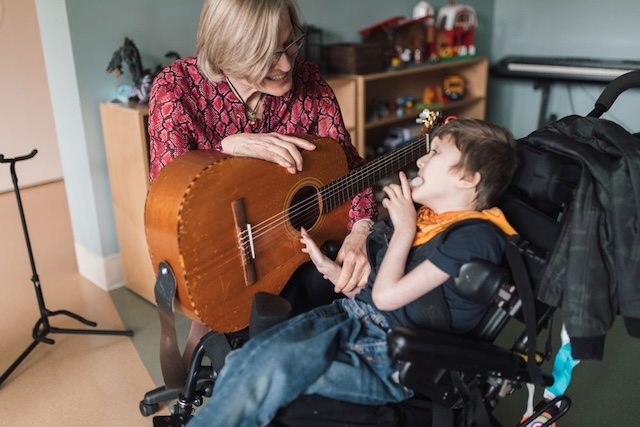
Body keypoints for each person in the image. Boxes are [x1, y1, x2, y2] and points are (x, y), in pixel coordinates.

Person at [186, 118, 519, 427]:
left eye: (434, 153)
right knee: (242, 361)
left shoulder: (476, 237)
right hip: (350, 317)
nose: (420, 160)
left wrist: (404, 229)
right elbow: (380, 294)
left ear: (468, 177)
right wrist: (332, 271)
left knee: (262, 374)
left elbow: (387, 299)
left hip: (390, 353)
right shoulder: (432, 219)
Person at [147, 0, 377, 308]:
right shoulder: (177, 90)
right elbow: (168, 200)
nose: (285, 65)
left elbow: (351, 168)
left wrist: (361, 230)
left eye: (289, 43)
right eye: (267, 56)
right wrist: (225, 149)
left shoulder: (308, 81)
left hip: (299, 256)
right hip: (225, 270)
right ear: (227, 54)